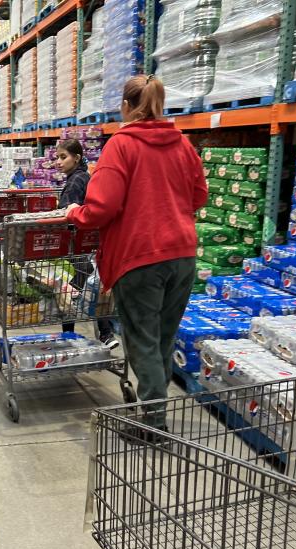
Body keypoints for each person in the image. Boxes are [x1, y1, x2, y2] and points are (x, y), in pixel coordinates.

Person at [66, 75, 208, 428]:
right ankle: (155, 406)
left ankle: (153, 422)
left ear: (127, 106)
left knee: (141, 338)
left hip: (140, 256)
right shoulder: (183, 145)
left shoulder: (121, 145)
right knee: (162, 336)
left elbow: (101, 208)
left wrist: (75, 213)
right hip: (182, 253)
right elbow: (199, 196)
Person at [55, 139, 118, 348]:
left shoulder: (75, 182)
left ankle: (72, 334)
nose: (58, 162)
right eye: (57, 157)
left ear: (77, 158)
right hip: (89, 243)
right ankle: (105, 333)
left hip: (76, 244)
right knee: (90, 285)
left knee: (71, 288)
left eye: (63, 157)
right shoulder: (85, 177)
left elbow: (66, 214)